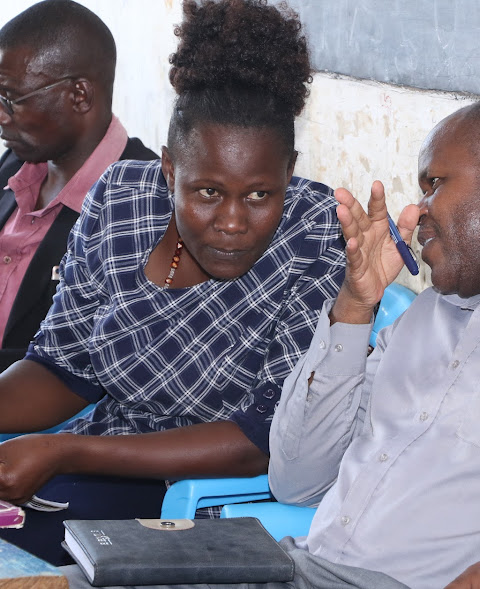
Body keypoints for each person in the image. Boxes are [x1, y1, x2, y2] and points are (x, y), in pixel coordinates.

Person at [64, 95, 480, 589]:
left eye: (436, 183)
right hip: (290, 564)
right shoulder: (424, 317)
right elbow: (296, 475)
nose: (416, 213)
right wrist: (354, 307)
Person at [0, 0, 345, 567]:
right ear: (168, 170)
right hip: (88, 464)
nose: (233, 222)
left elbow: (266, 438)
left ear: (289, 172)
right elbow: (65, 368)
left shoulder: (314, 233)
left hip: (200, 502)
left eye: (260, 194)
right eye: (207, 191)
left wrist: (65, 451)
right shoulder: (121, 201)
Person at [0, 0, 158, 371]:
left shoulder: (143, 202)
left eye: (10, 98)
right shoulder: (17, 163)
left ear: (79, 96)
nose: (1, 116)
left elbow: (88, 362)